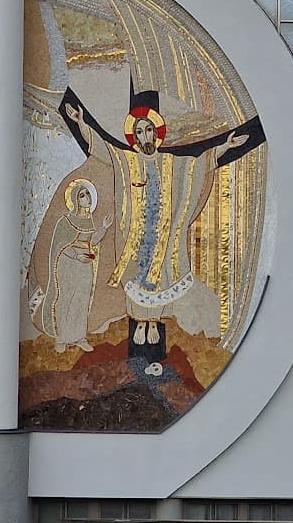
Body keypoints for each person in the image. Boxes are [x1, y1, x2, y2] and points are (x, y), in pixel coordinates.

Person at [56, 86, 263, 374]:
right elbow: (105, 149)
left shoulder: (170, 162)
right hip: (136, 237)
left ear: (157, 133)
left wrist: (225, 146)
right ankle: (140, 323)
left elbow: (198, 164)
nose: (145, 137)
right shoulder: (128, 161)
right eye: (139, 132)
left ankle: (153, 323)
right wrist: (81, 122)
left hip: (163, 233)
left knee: (161, 278)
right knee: (137, 279)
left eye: (149, 131)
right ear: (134, 136)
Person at [31, 180, 109, 352]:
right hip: (68, 265)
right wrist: (76, 255)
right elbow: (59, 245)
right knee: (65, 299)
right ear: (75, 199)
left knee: (81, 300)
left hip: (85, 266)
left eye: (88, 194)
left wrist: (103, 228)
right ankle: (62, 339)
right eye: (82, 195)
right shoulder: (65, 220)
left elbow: (92, 241)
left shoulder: (89, 220)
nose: (86, 198)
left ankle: (79, 337)